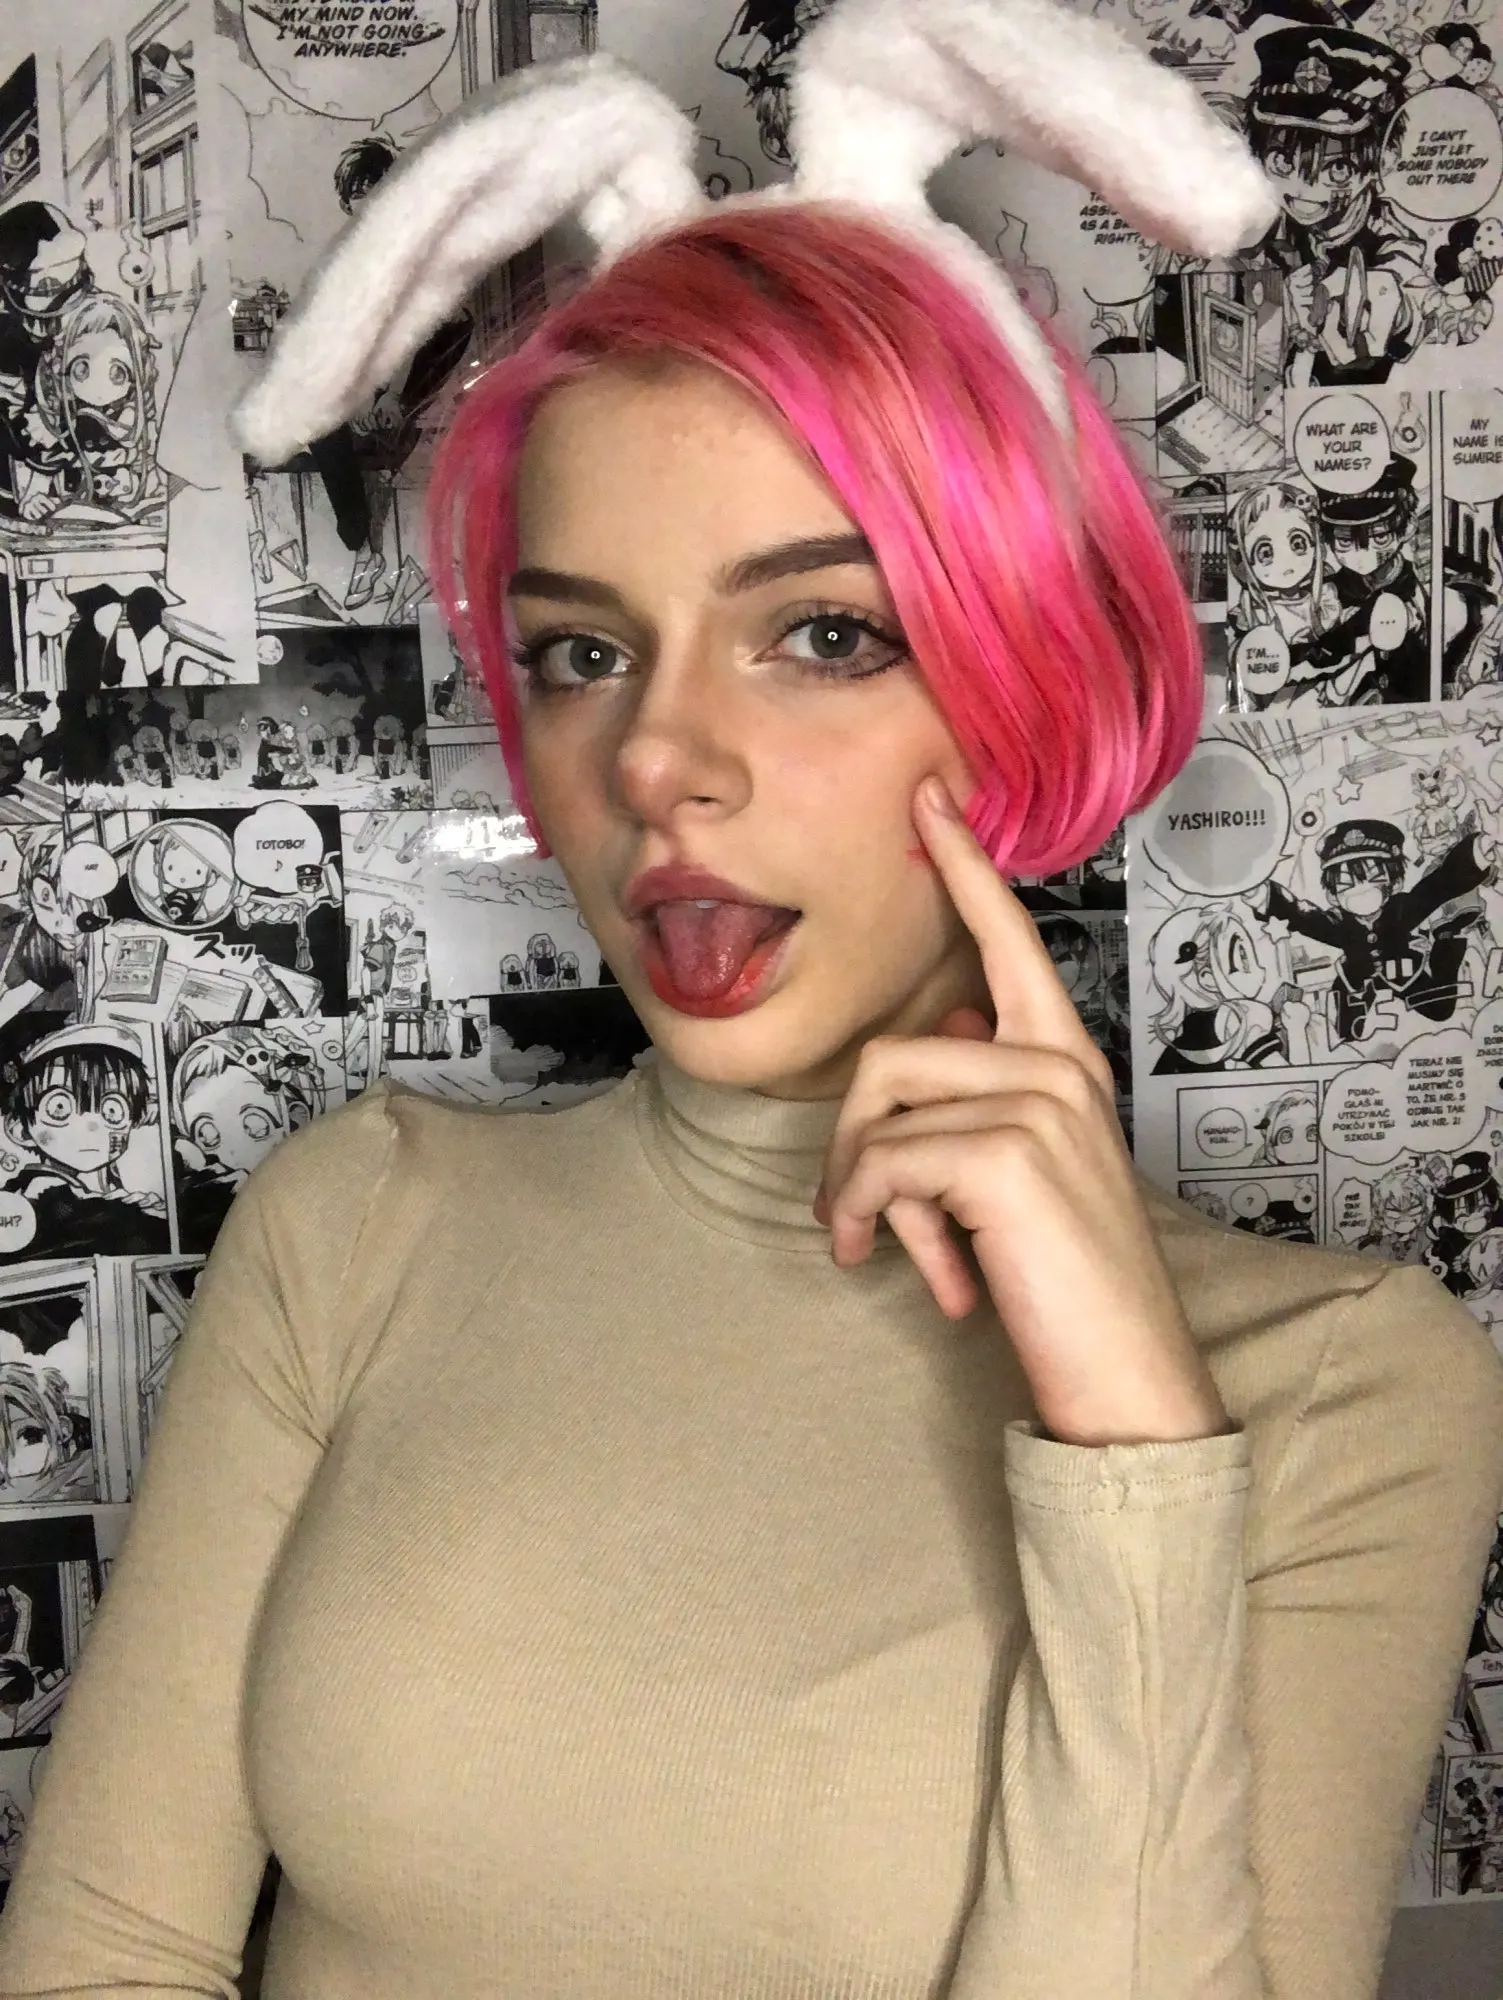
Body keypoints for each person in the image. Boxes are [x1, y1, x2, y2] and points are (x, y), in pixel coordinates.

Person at [3, 10, 1501, 1999]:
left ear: (1025, 671)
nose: (655, 763)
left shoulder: (1345, 1388)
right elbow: (105, 1953)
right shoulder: (354, 1230)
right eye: (582, 652)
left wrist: (1134, 1450)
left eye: (819, 632)